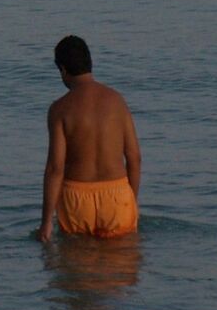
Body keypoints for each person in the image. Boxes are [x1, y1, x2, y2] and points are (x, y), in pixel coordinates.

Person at [34, 35, 140, 242]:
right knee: (122, 270)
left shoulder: (60, 109)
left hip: (76, 199)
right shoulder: (117, 101)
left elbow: (55, 168)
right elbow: (135, 158)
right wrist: (131, 203)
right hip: (117, 196)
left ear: (63, 70)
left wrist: (46, 222)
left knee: (76, 269)